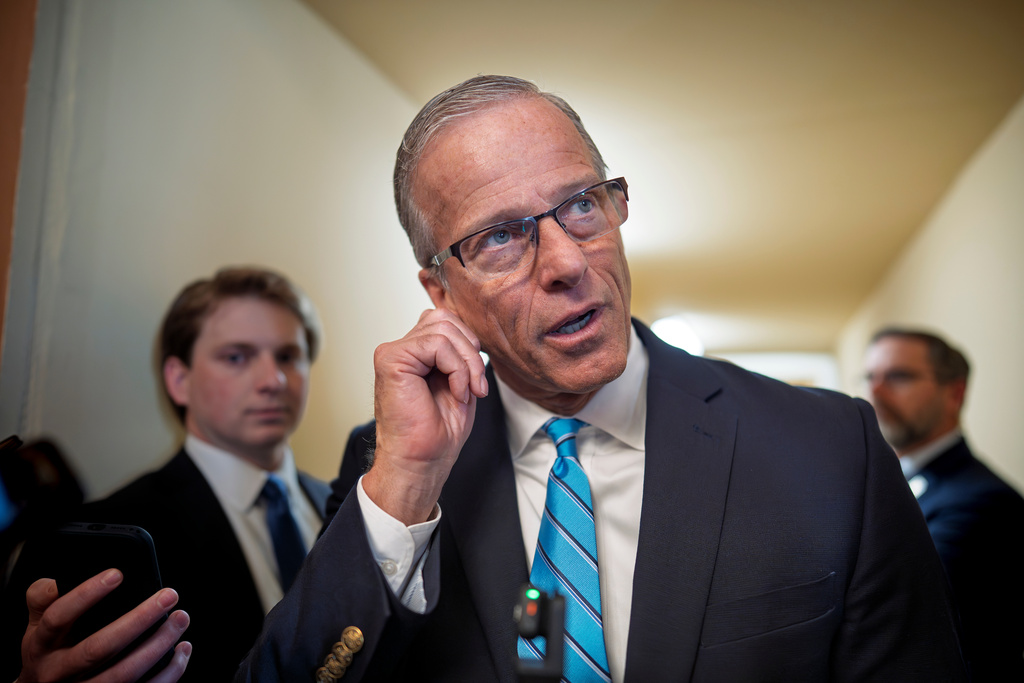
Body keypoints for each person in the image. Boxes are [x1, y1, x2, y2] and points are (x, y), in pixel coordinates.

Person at [240, 76, 966, 682]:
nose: (565, 262)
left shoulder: (831, 448)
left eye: (581, 204)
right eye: (501, 235)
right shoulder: (391, 468)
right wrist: (403, 489)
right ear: (440, 291)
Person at [4, 266, 331, 682]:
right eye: (236, 356)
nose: (274, 379)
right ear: (179, 380)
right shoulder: (97, 538)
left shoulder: (351, 508)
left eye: (288, 356)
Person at [864, 327, 1024, 681]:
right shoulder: (892, 483)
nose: (874, 391)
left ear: (954, 393)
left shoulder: (982, 501)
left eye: (899, 376)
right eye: (869, 377)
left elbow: (900, 611)